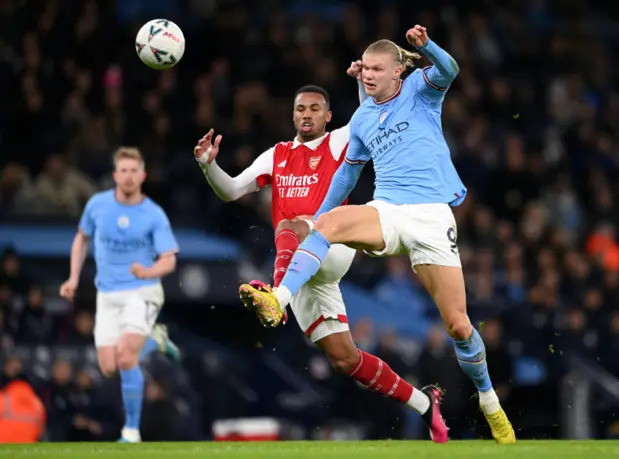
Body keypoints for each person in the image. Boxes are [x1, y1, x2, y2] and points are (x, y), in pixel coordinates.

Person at [239, 25, 516, 444]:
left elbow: (451, 69)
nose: (367, 75)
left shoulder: (422, 90)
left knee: (459, 326)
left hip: (430, 215)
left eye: (376, 69)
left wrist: (427, 48)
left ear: (397, 72)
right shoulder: (363, 118)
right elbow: (346, 176)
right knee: (327, 226)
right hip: (387, 210)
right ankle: (277, 297)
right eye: (364, 68)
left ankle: (489, 400)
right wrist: (318, 218)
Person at [194, 66, 448, 442]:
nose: (307, 114)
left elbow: (371, 114)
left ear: (328, 116)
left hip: (333, 246)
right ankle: (425, 404)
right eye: (300, 109)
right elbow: (231, 191)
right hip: (302, 267)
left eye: (315, 108)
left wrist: (366, 80)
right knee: (346, 359)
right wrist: (208, 165)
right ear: (293, 114)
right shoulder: (276, 155)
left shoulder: (339, 141)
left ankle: (275, 298)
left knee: (289, 224)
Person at [59, 147, 181, 443]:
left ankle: (131, 432)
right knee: (109, 366)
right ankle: (156, 340)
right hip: (108, 293)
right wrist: (73, 277)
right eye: (122, 171)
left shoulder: (153, 214)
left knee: (127, 358)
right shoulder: (97, 206)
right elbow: (81, 239)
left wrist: (148, 272)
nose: (128, 176)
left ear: (142, 175)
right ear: (115, 175)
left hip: (142, 290)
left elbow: (169, 259)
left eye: (133, 171)